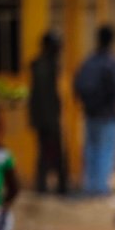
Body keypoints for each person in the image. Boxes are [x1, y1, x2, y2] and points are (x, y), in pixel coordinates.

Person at [74, 24, 115, 196]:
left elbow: (77, 85)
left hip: (90, 114)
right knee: (106, 150)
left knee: (91, 150)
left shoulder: (88, 62)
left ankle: (89, 186)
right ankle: (102, 188)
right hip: (108, 115)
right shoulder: (114, 63)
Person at [28, 30, 67, 195]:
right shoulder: (44, 66)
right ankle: (56, 187)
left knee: (47, 153)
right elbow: (44, 97)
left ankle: (48, 186)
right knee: (53, 153)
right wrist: (50, 122)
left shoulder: (46, 65)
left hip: (46, 118)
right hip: (47, 119)